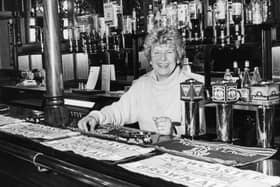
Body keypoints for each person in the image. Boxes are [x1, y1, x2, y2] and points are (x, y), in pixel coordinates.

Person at [78, 26, 204, 136]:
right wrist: (95, 117)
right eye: (157, 53)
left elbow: (201, 131)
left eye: (169, 52)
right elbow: (118, 111)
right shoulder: (142, 85)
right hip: (151, 157)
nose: (163, 58)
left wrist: (173, 131)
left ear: (178, 57)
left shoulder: (193, 85)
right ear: (150, 59)